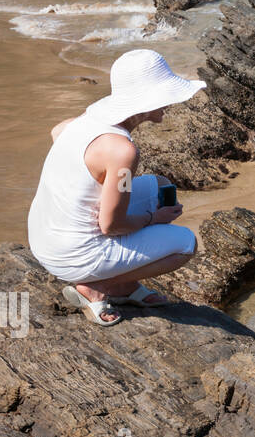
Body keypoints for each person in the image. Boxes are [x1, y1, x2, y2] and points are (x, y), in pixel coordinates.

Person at [28, 50, 205, 326]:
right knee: (185, 244)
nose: (170, 104)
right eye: (166, 97)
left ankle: (124, 285)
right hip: (71, 255)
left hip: (44, 236)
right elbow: (110, 225)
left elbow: (57, 131)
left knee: (161, 186)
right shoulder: (123, 153)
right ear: (148, 100)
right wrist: (152, 220)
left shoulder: (86, 121)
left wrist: (88, 187)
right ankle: (99, 286)